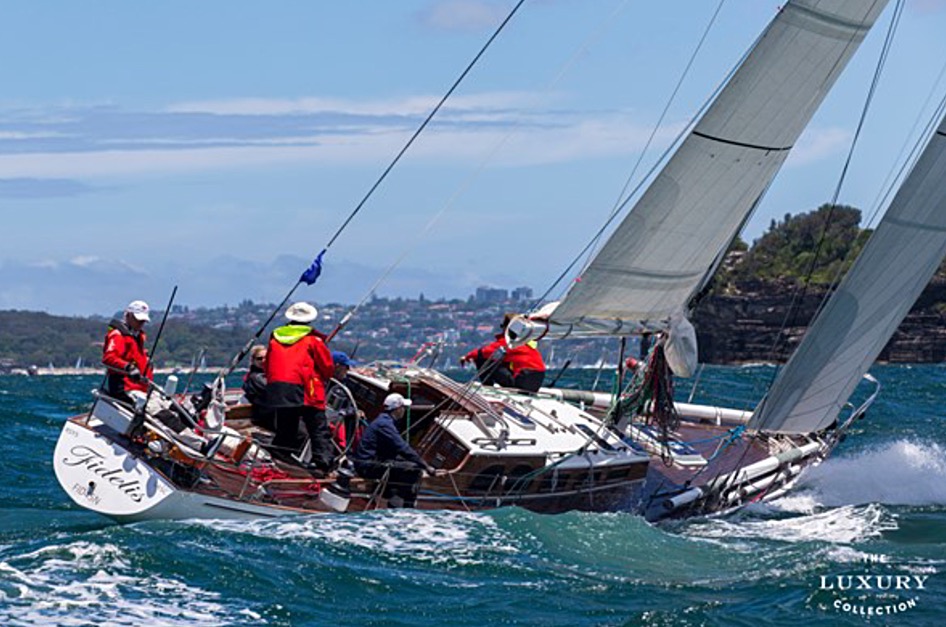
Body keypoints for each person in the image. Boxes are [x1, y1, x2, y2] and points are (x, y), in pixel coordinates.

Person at [261, 301, 335, 473]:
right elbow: (327, 367)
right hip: (306, 389)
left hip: (279, 388)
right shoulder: (313, 340)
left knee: (286, 424)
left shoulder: (275, 337)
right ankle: (323, 463)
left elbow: (268, 363)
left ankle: (281, 455)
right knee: (317, 427)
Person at [349, 392, 435, 508]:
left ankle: (392, 498)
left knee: (403, 465)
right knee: (413, 470)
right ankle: (404, 507)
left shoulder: (384, 421)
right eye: (403, 407)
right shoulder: (385, 425)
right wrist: (425, 466)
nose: (404, 410)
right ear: (397, 409)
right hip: (367, 466)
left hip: (370, 462)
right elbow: (402, 448)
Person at [460, 314, 546, 392]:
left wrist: (466, 357)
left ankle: (487, 388)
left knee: (482, 359)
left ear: (507, 328)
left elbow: (485, 352)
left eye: (503, 326)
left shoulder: (509, 341)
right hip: (535, 383)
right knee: (500, 359)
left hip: (521, 382)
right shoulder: (523, 341)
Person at [102, 300, 154, 404]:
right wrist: (128, 367)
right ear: (128, 315)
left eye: (143, 321)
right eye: (138, 319)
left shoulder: (137, 337)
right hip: (126, 389)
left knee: (171, 408)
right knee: (163, 415)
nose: (141, 323)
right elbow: (108, 358)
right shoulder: (118, 335)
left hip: (142, 389)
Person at [325, 350, 363, 452]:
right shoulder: (327, 383)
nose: (348, 370)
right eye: (346, 367)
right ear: (337, 366)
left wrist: (354, 412)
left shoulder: (342, 385)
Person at [242, 345, 274, 430]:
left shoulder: (270, 375)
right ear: (253, 360)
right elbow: (274, 391)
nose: (263, 360)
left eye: (266, 357)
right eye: (259, 358)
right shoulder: (256, 378)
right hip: (267, 417)